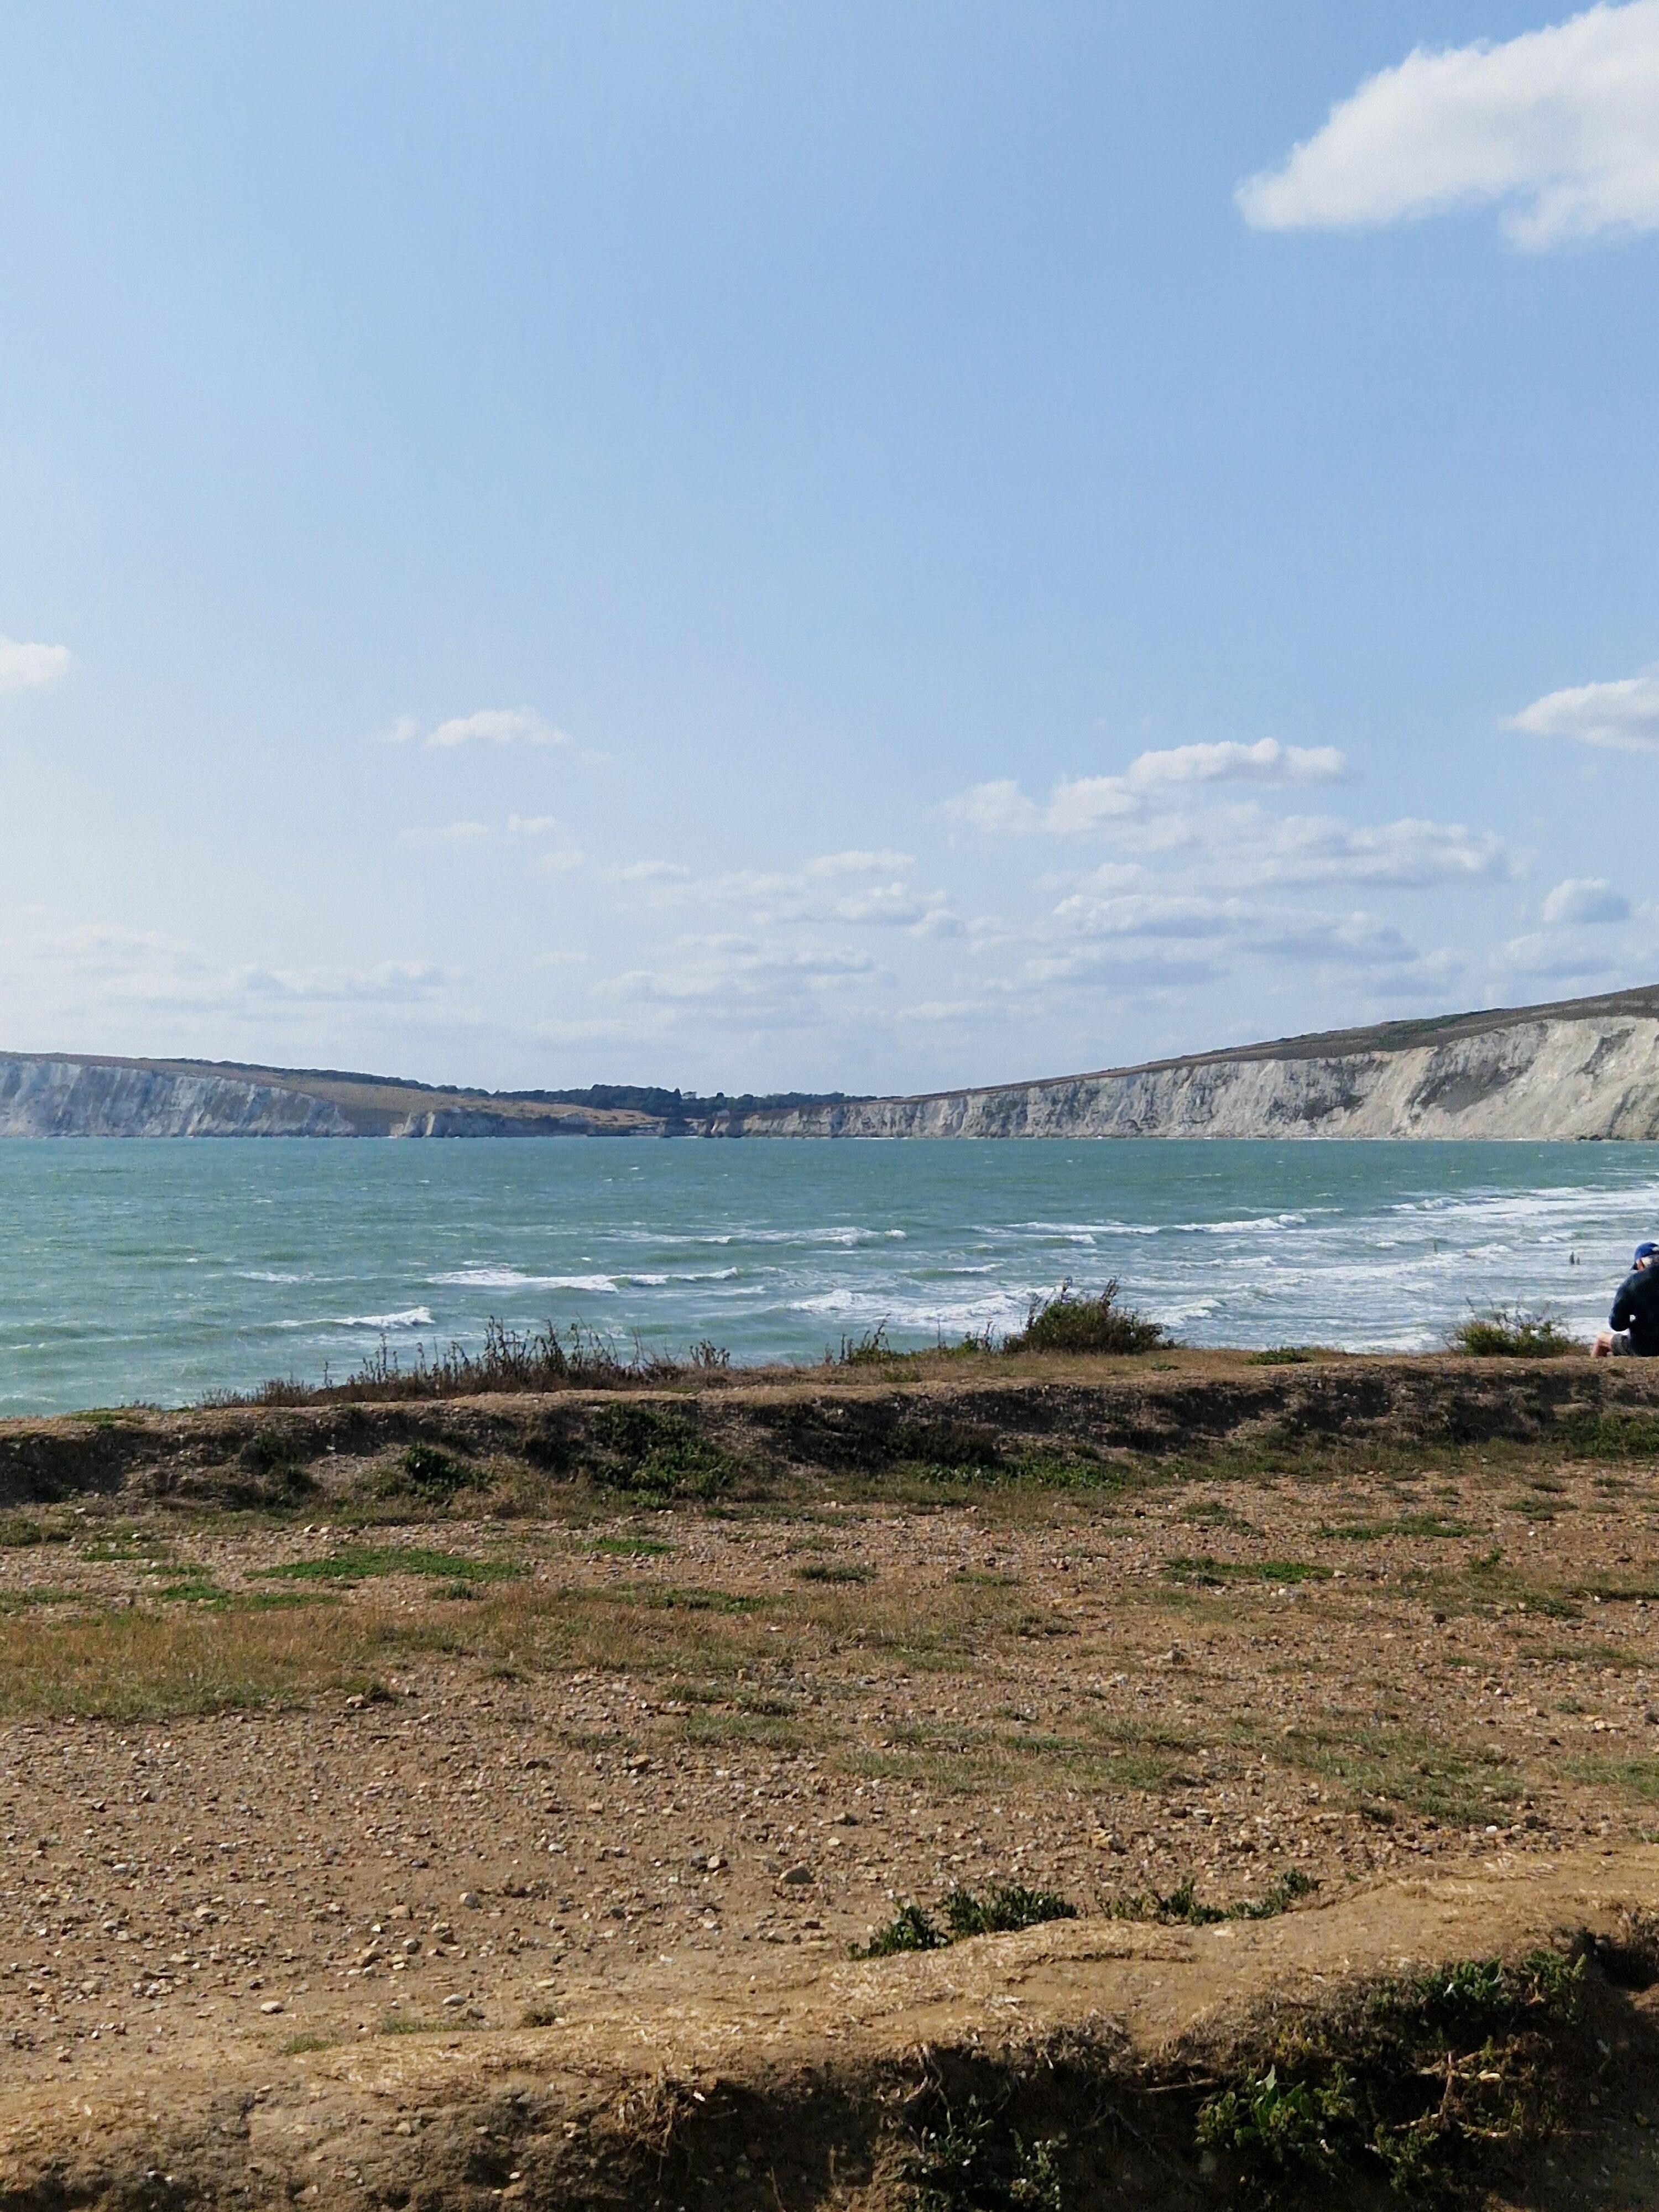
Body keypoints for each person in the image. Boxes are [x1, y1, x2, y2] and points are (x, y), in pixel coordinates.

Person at [1593, 1241, 1659, 1357]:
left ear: (1641, 1263)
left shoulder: (1632, 1284)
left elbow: (1617, 1325)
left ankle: (1594, 1373)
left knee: (1601, 1339)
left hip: (1646, 1348)